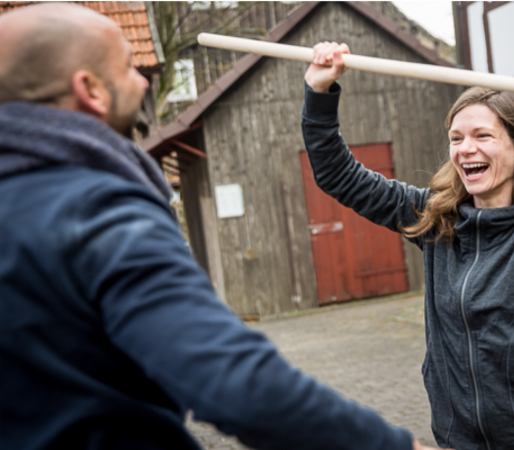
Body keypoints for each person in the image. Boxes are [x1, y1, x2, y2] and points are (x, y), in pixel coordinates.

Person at [0, 5, 441, 450]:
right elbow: (232, 381)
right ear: (90, 89)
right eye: (130, 68)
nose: (142, 83)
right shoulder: (99, 210)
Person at [302, 42, 514, 449]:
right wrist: (318, 91)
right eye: (456, 138)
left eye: (483, 136)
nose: (466, 149)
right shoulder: (434, 218)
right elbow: (336, 175)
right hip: (458, 441)